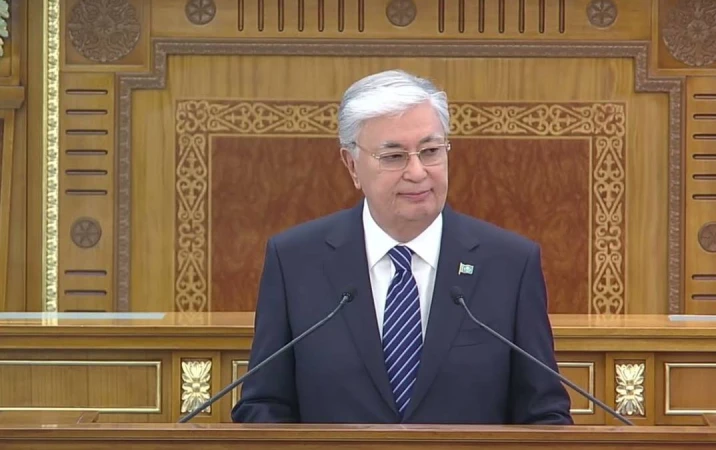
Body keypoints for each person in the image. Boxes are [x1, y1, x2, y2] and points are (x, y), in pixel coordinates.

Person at [231, 70, 573, 425]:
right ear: (352, 165)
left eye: (430, 151)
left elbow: (544, 415)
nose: (417, 172)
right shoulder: (295, 261)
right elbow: (263, 406)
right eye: (393, 156)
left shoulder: (509, 265)